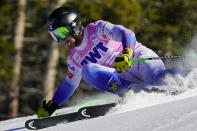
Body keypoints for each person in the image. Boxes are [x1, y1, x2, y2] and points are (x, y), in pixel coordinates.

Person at [37, 6, 182, 118]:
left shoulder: (96, 29)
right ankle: (131, 91)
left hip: (137, 59)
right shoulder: (74, 58)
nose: (61, 40)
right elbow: (69, 84)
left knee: (157, 78)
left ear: (74, 26)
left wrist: (127, 53)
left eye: (62, 33)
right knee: (87, 70)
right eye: (55, 36)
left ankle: (190, 76)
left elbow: (127, 33)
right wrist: (53, 105)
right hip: (122, 75)